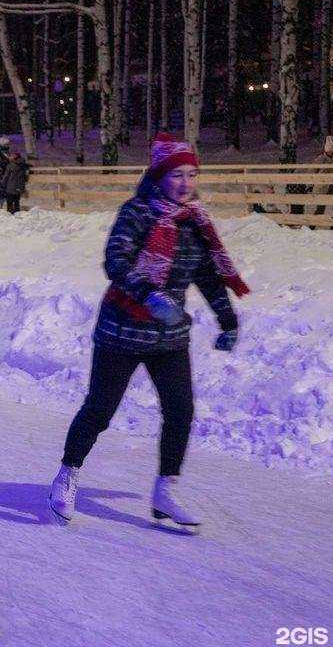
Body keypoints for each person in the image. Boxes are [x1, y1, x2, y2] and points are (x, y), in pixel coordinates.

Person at [47, 133, 249, 530]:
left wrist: (227, 319)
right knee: (99, 411)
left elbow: (207, 275)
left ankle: (165, 491)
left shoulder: (194, 221)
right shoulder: (138, 212)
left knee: (180, 411)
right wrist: (148, 295)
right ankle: (67, 475)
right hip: (121, 332)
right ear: (159, 176)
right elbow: (116, 260)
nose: (186, 183)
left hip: (168, 338)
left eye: (192, 174)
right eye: (177, 175)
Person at [0, 137, 11, 210]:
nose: (8, 145)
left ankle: (3, 208)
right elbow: (1, 163)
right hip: (1, 175)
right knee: (0, 193)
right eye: (6, 144)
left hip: (4, 175)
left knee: (5, 192)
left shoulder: (4, 152)